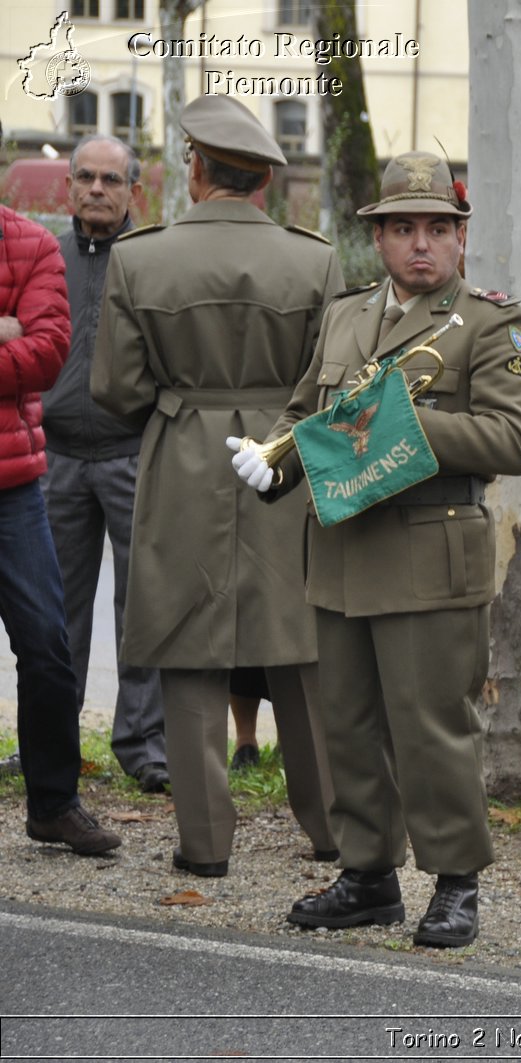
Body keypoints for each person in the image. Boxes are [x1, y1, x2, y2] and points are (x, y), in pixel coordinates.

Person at [241, 150, 521, 949]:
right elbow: (309, 408)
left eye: (436, 228)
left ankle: (455, 881)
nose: (420, 244)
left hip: (429, 551)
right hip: (343, 549)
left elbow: (512, 439)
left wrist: (395, 421)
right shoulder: (347, 315)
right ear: (378, 237)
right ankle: (368, 873)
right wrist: (274, 461)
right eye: (402, 228)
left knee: (433, 727)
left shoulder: (488, 321)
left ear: (460, 237)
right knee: (347, 722)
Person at [91, 95, 338, 878]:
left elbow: (117, 389)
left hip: (186, 459)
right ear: (263, 180)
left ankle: (204, 845)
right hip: (285, 459)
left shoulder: (139, 257)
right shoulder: (316, 259)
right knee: (302, 649)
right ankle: (336, 832)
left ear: (195, 170)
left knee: (188, 648)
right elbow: (332, 386)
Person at [42, 134, 167, 794]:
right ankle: (53, 745)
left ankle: (143, 745)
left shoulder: (153, 263)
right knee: (55, 611)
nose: (96, 189)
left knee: (140, 607)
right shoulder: (46, 256)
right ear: (68, 185)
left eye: (110, 180)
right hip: (56, 457)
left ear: (131, 191)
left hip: (132, 454)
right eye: (85, 177)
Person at [1, 195, 122, 858]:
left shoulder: (32, 244)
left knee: (48, 646)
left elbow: (47, 354)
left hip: (12, 486)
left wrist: (21, 335)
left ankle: (52, 803)